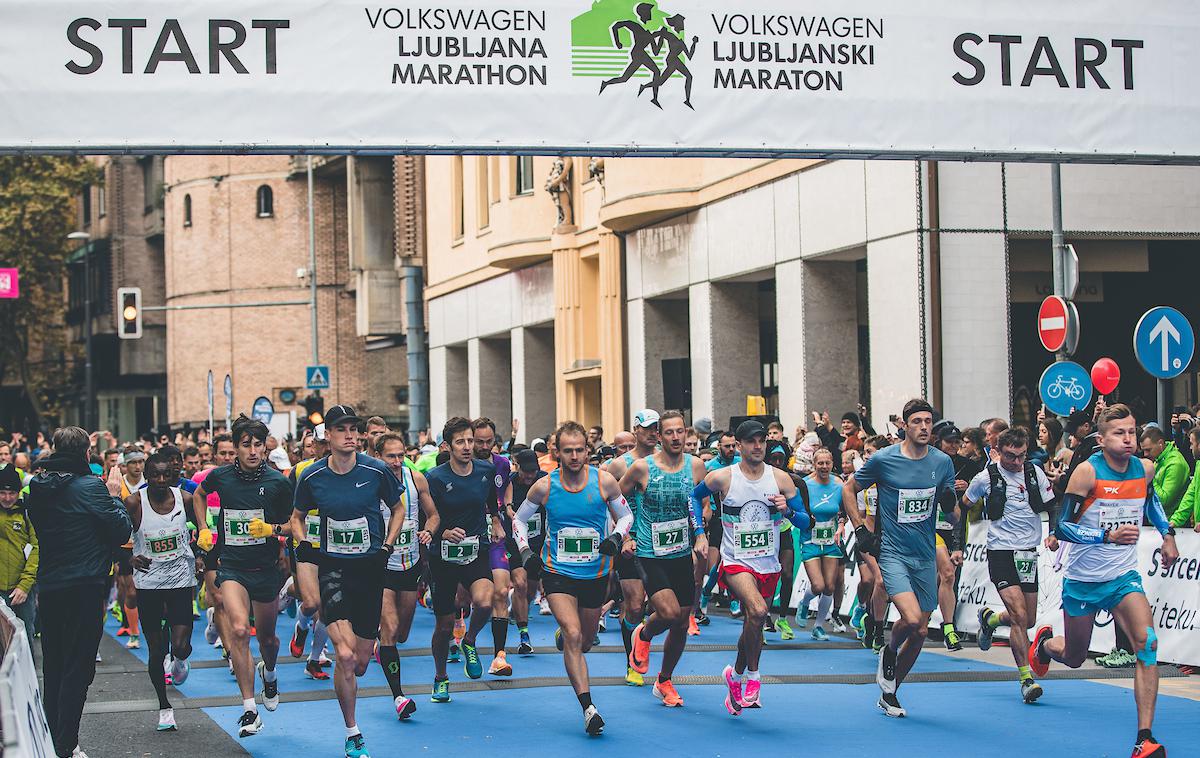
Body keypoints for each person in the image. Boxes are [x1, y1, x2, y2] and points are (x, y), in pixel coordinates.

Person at [1030, 404, 1178, 758]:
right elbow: (1063, 526)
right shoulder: (1086, 473)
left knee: (1147, 644)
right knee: (1075, 657)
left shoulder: (1145, 468)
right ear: (1101, 438)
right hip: (1083, 579)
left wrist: (1167, 533)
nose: (1128, 439)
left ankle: (1145, 738)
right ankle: (1046, 644)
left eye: (1132, 432)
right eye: (1119, 433)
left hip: (1122, 577)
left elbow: (1151, 500)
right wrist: (1105, 537)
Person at [290, 406, 405, 757]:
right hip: (333, 569)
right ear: (328, 435)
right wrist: (306, 544)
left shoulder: (377, 471)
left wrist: (387, 545)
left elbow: (398, 508)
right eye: (341, 429)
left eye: (354, 429)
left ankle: (318, 638)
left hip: (369, 569)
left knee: (359, 662)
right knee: (342, 653)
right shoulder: (311, 476)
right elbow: (296, 518)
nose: (350, 435)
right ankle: (352, 731)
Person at [512, 421, 632, 734]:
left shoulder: (604, 482)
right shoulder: (544, 486)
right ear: (558, 453)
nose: (575, 456)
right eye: (568, 451)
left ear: (587, 451)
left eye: (580, 450)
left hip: (595, 573)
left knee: (585, 640)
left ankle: (566, 640)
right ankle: (589, 708)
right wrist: (526, 554)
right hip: (557, 573)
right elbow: (519, 521)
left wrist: (617, 538)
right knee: (574, 632)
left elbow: (626, 515)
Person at [842, 399, 958, 718]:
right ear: (904, 425)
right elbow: (848, 490)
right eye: (917, 421)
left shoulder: (942, 462)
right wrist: (859, 530)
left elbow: (954, 512)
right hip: (893, 552)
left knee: (920, 632)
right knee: (908, 619)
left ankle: (891, 693)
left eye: (928, 421)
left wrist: (951, 504)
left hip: (925, 554)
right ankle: (889, 652)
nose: (924, 427)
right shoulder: (883, 460)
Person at [27, 427, 133, 758]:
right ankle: (64, 746)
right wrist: (114, 495)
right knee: (80, 667)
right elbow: (121, 530)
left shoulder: (37, 487)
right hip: (85, 585)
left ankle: (52, 740)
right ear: (86, 454)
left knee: (55, 665)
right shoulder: (91, 487)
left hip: (51, 585)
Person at [691, 420, 809, 715]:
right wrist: (700, 533)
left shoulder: (781, 479)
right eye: (752, 441)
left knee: (752, 624)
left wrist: (788, 511)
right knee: (757, 612)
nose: (758, 446)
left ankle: (735, 675)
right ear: (740, 446)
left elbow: (806, 522)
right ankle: (754, 678)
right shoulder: (721, 477)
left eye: (762, 441)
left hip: (767, 564)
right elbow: (693, 497)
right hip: (735, 562)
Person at [193, 416, 295, 739]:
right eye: (246, 445)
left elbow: (295, 524)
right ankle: (249, 709)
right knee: (239, 629)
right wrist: (205, 528)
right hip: (232, 567)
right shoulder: (220, 477)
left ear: (266, 446)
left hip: (265, 570)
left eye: (258, 445)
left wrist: (272, 530)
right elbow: (198, 496)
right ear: (235, 448)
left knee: (267, 640)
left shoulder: (279, 482)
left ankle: (271, 671)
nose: (253, 451)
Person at [619, 411, 708, 707]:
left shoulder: (696, 467)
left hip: (681, 552)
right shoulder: (642, 468)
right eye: (668, 432)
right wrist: (626, 535)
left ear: (686, 434)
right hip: (648, 551)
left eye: (679, 431)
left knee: (682, 623)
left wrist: (701, 534)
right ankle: (642, 635)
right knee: (668, 614)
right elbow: (616, 500)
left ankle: (664, 680)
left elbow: (701, 504)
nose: (674, 437)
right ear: (659, 435)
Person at [968, 427, 1055, 703]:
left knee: (1027, 619)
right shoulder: (985, 477)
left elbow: (1052, 505)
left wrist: (1053, 532)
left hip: (1028, 550)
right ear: (998, 451)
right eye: (1010, 456)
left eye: (1021, 456)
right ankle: (1025, 679)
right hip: (1000, 551)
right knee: (1018, 614)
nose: (1016, 462)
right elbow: (965, 504)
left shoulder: (1034, 472)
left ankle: (990, 619)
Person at [424, 417, 503, 702]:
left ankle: (469, 641)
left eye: (470, 440)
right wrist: (443, 532)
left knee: (485, 601)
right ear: (448, 446)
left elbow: (491, 501)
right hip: (443, 556)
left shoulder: (486, 470)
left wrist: (495, 520)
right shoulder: (435, 478)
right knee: (444, 626)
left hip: (475, 550)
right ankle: (440, 677)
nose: (468, 447)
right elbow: (426, 518)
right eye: (461, 442)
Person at [125, 452, 199, 732]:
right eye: (153, 474)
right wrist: (130, 558)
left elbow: (206, 528)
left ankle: (180, 659)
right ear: (145, 476)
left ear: (172, 476)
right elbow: (114, 537)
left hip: (180, 580)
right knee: (157, 651)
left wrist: (202, 553)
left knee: (180, 646)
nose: (159, 480)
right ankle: (164, 707)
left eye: (164, 474)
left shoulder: (186, 499)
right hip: (149, 585)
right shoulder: (133, 503)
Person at [374, 432, 438, 719]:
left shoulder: (415, 479)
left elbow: (434, 515)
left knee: (402, 634)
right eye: (392, 456)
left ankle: (382, 647)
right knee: (389, 629)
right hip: (381, 568)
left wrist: (429, 530)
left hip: (410, 565)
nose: (398, 462)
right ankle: (399, 696)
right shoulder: (370, 483)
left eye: (402, 455)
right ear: (379, 457)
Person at [604, 409, 659, 686]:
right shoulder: (619, 465)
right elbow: (611, 502)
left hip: (663, 543)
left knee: (669, 610)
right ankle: (632, 663)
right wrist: (622, 536)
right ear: (636, 430)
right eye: (647, 427)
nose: (653, 432)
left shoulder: (669, 462)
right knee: (635, 606)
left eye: (656, 427)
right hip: (633, 542)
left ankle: (643, 642)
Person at [472, 417, 517, 676]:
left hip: (495, 533)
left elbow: (507, 484)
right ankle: (465, 635)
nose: (485, 446)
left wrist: (507, 507)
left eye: (489, 441)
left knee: (501, 591)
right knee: (469, 599)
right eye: (480, 441)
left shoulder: (501, 463)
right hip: (467, 536)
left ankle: (499, 656)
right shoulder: (463, 466)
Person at [288, 427, 333, 680]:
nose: (326, 448)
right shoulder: (299, 471)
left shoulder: (346, 469)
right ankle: (302, 626)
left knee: (327, 610)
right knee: (312, 603)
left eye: (329, 443)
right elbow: (289, 513)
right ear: (313, 445)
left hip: (333, 545)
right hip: (304, 543)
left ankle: (314, 660)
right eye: (321, 443)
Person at [795, 448, 843, 641]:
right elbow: (796, 509)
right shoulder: (805, 485)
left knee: (830, 586)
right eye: (820, 463)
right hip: (810, 539)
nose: (824, 467)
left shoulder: (839, 484)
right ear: (814, 465)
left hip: (830, 540)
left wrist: (841, 524)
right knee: (818, 585)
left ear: (832, 464)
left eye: (827, 463)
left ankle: (818, 626)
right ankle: (804, 603)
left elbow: (845, 511)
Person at [508, 449, 548, 654]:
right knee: (521, 584)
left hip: (538, 543)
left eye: (534, 471)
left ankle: (517, 605)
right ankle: (524, 635)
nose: (530, 475)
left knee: (530, 590)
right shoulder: (509, 483)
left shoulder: (544, 481)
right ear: (517, 466)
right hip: (515, 543)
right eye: (526, 471)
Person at [699, 431, 740, 620]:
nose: (731, 449)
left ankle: (733, 598)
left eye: (734, 445)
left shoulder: (741, 462)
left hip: (739, 518)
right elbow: (698, 493)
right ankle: (707, 591)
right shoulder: (709, 467)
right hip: (717, 518)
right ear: (719, 448)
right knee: (718, 564)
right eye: (727, 446)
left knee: (733, 561)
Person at [0, 463, 37, 641]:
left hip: (22, 589)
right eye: (2, 493)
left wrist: (25, 584)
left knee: (24, 639)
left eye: (12, 493)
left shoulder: (27, 512)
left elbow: (37, 549)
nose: (7, 498)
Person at [1140, 426, 1189, 518]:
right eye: (1143, 450)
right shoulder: (1158, 459)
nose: (1145, 454)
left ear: (1160, 444)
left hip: (1172, 523)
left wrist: (1149, 476)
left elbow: (1164, 501)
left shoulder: (1175, 464)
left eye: (1148, 450)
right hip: (1157, 519)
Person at [1169, 426, 1200, 530]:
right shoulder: (1199, 465)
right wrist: (1176, 520)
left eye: (1192, 443)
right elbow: (1191, 494)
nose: (1190, 448)